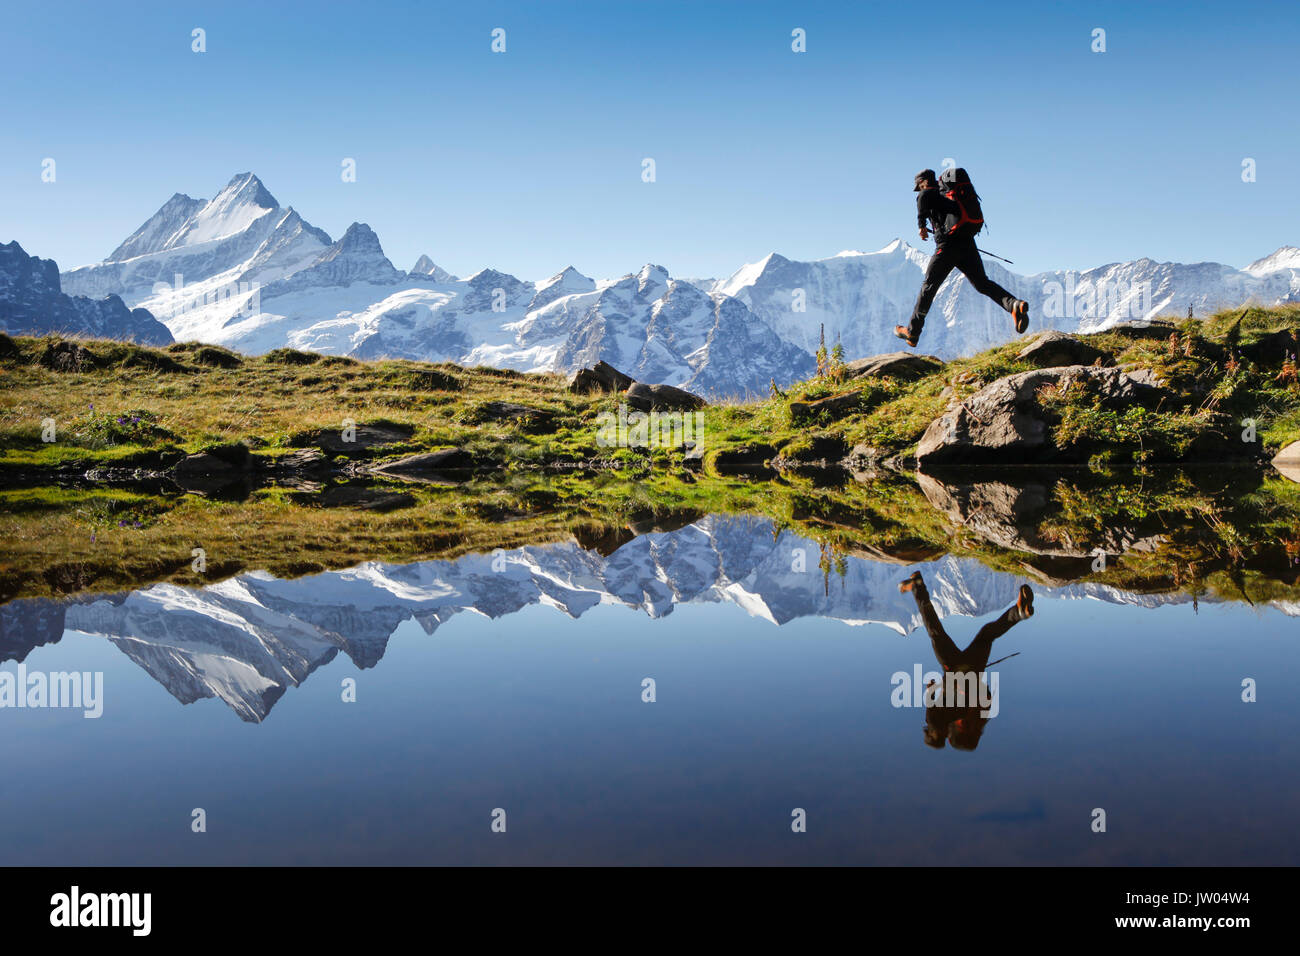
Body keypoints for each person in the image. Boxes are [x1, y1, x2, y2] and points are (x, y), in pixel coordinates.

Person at [899, 570, 1034, 751]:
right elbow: (934, 703)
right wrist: (933, 688)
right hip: (952, 666)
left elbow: (986, 694)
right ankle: (917, 586)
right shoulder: (940, 721)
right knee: (934, 630)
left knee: (986, 636)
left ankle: (1018, 613)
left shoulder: (980, 718)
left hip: (973, 668)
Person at [896, 169, 1029, 348]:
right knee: (982, 283)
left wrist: (921, 226)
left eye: (919, 187)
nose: (919, 190)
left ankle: (912, 332)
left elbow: (922, 200)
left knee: (928, 287)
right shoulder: (947, 196)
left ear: (922, 183)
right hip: (967, 244)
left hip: (947, 248)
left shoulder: (928, 193)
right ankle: (1014, 305)